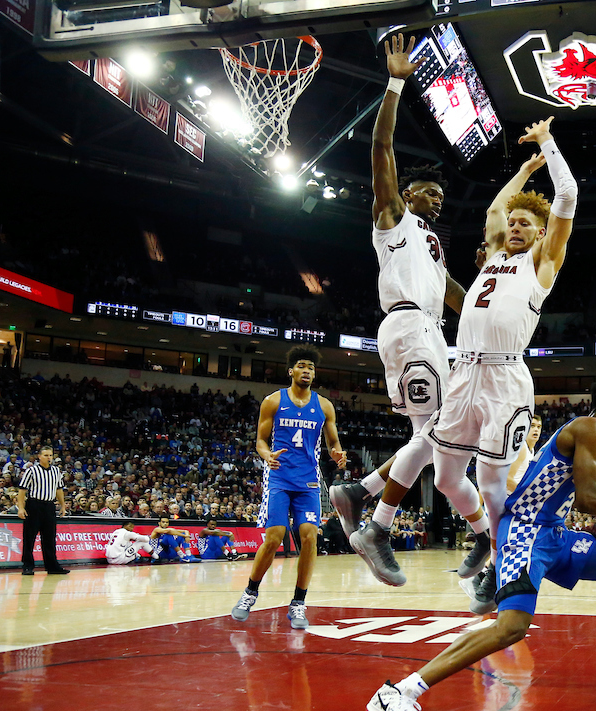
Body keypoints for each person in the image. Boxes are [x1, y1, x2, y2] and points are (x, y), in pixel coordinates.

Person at [365, 377, 596, 711]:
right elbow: (587, 498)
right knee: (511, 627)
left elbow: (584, 497)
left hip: (552, 533)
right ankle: (399, 692)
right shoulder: (590, 428)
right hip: (524, 532)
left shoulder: (586, 430)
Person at [329, 32, 472, 584]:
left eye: (439, 196)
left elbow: (460, 295)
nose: (435, 200)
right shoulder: (392, 219)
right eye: (427, 193)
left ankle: (356, 494)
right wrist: (394, 84)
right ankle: (376, 524)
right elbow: (381, 150)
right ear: (407, 197)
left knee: (434, 438)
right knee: (438, 432)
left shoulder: (432, 247)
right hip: (410, 326)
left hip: (428, 331)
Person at [426, 116, 577, 586]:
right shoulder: (492, 257)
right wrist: (524, 173)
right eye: (512, 223)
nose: (514, 227)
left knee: (492, 482)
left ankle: (501, 564)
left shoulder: (543, 262)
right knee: (446, 478)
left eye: (524, 223)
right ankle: (481, 536)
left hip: (504, 378)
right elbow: (495, 208)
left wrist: (547, 145)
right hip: (462, 373)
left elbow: (568, 196)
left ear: (539, 232)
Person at [231, 345, 346, 630]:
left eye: (312, 367)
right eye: (303, 366)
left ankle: (298, 603)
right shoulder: (272, 401)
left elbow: (333, 442)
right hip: (280, 477)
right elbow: (260, 440)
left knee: (309, 538)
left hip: (308, 480)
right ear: (291, 371)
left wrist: (337, 452)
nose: (307, 371)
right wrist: (265, 454)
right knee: (274, 537)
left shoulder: (324, 405)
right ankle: (250, 593)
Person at [461, 414, 543, 614]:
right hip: (504, 503)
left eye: (539, 426)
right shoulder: (522, 449)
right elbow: (505, 480)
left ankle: (482, 581)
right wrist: (527, 494)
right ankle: (482, 581)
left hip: (509, 504)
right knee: (509, 547)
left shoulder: (531, 451)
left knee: (508, 547)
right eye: (532, 425)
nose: (536, 430)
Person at [16, 445, 69, 576]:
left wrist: (62, 506)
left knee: (50, 538)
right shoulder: (31, 471)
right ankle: (27, 566)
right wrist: (21, 508)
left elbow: (59, 490)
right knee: (29, 538)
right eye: (46, 455)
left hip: (49, 506)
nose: (49, 458)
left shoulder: (57, 471)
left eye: (50, 455)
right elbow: (22, 490)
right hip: (34, 504)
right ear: (39, 456)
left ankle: (52, 566)